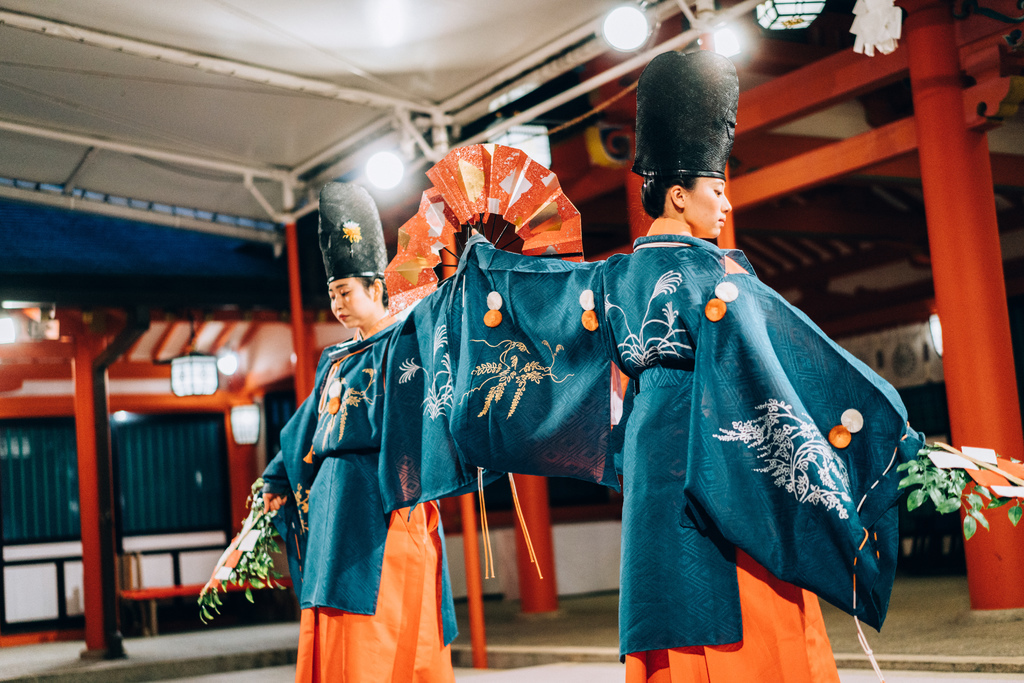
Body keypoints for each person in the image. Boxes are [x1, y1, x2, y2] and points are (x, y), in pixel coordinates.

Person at [261, 182, 457, 683]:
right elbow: (304, 429)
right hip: (334, 515)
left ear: (376, 286)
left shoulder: (408, 345)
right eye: (331, 295)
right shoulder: (335, 361)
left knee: (386, 632)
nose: (338, 305)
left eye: (345, 292)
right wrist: (275, 481)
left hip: (382, 509)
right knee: (340, 626)